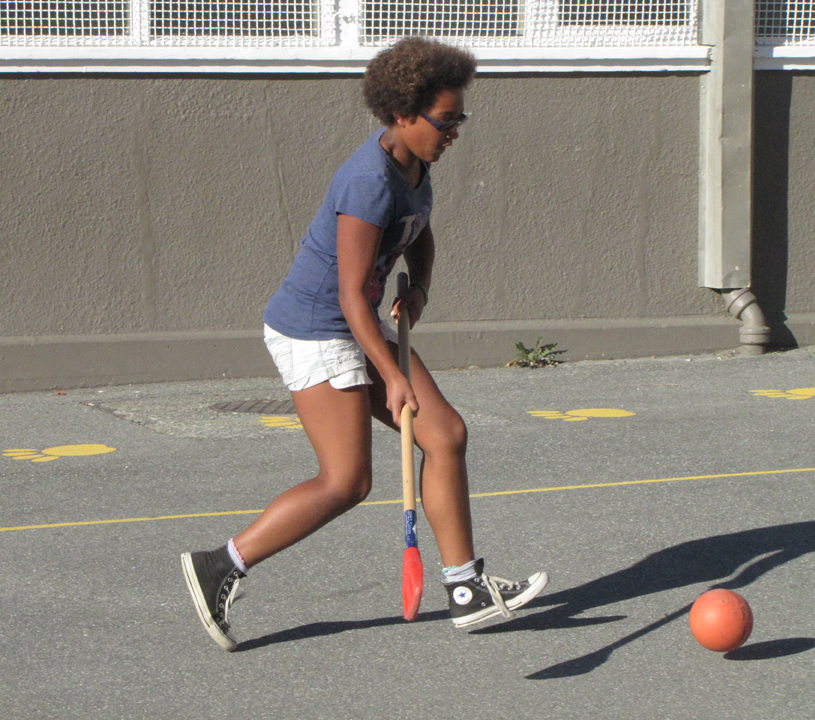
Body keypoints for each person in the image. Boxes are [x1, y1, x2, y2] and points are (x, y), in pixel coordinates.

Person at [181, 36, 548, 651]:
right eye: (446, 120)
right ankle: (220, 564)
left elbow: (418, 230)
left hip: (355, 322)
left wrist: (420, 285)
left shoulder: (416, 165)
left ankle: (465, 588)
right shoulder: (366, 182)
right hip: (315, 329)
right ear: (403, 114)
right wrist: (393, 374)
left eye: (460, 118)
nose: (455, 132)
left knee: (445, 434)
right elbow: (350, 295)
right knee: (346, 481)